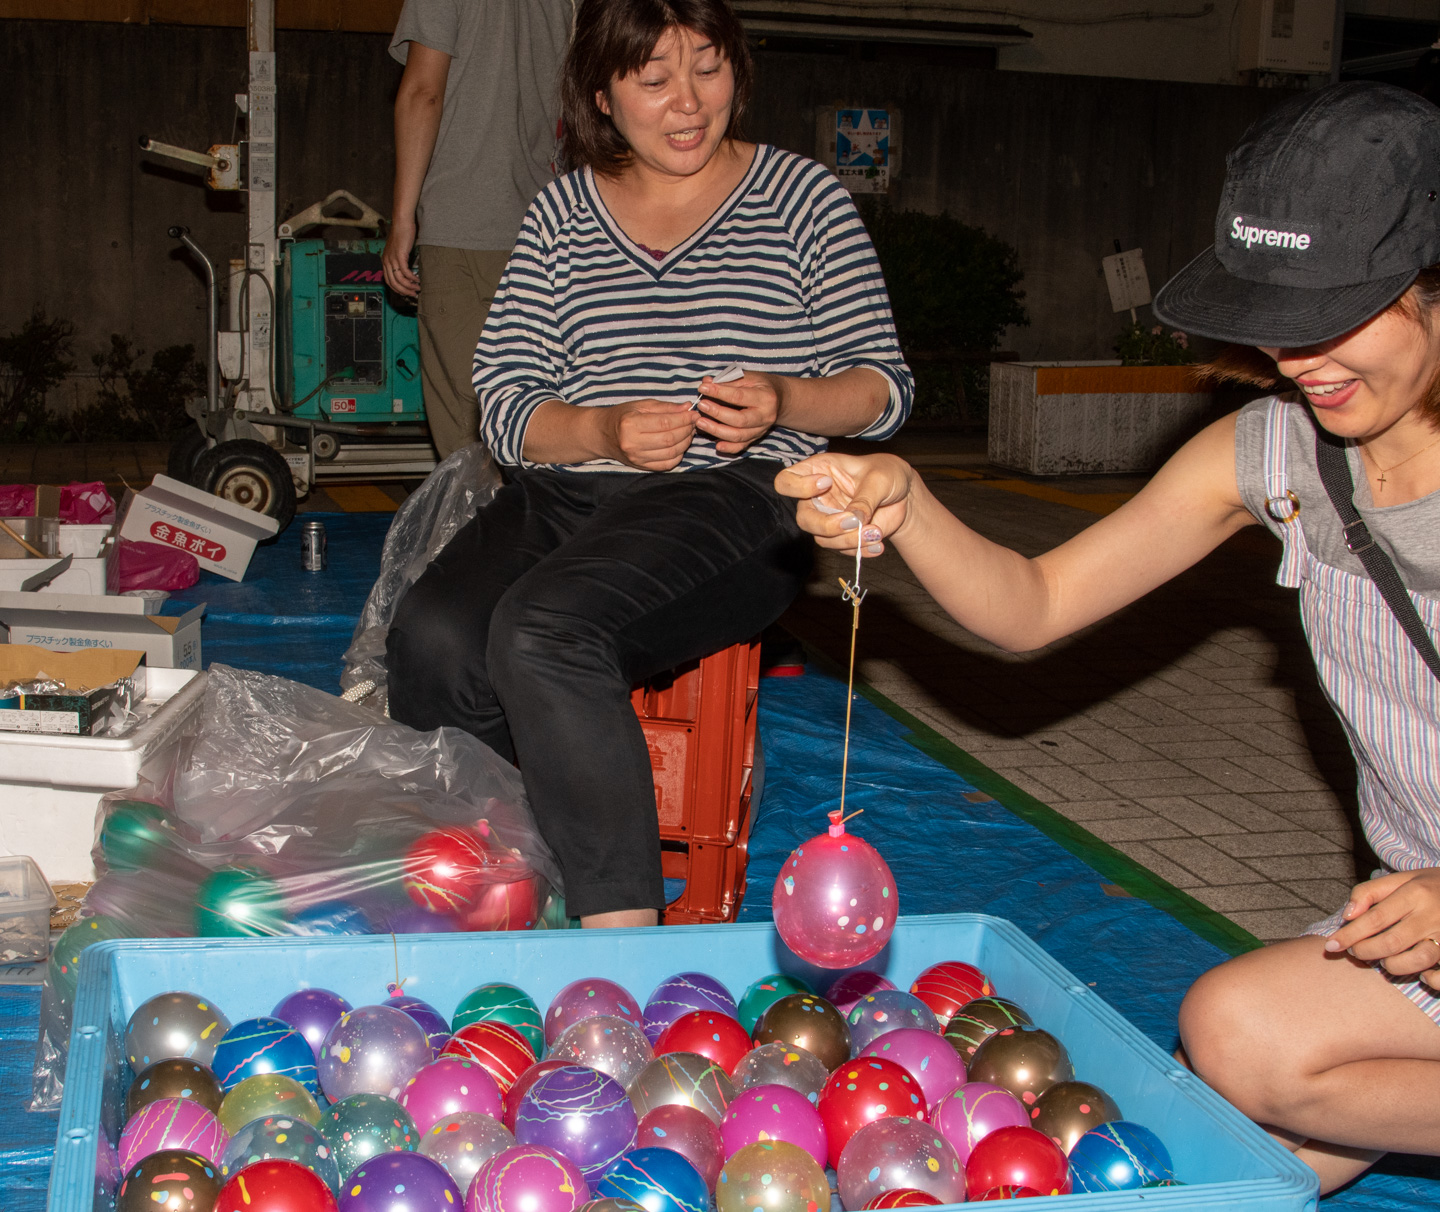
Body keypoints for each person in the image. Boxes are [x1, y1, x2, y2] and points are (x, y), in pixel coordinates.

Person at [777, 82, 1440, 1193]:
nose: (1296, 355)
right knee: (1220, 1149)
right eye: (1272, 314)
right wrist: (909, 502)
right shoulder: (1279, 452)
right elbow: (1033, 605)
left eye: (1338, 311)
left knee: (1236, 1036)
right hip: (1415, 911)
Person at [385, 0, 913, 928]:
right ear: (603, 93)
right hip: (570, 495)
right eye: (653, 78)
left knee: (545, 629)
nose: (687, 103)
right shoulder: (561, 210)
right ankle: (501, 876)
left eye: (707, 68)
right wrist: (603, 431)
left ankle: (623, 938)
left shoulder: (802, 198)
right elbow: (504, 402)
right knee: (430, 636)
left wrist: (786, 399)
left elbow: (883, 386)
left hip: (735, 501)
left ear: (738, 72)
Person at [382, 0, 572, 458]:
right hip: (552, 225)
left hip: (465, 223)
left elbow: (423, 91)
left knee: (471, 436)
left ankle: (488, 531)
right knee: (545, 416)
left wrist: (403, 217)